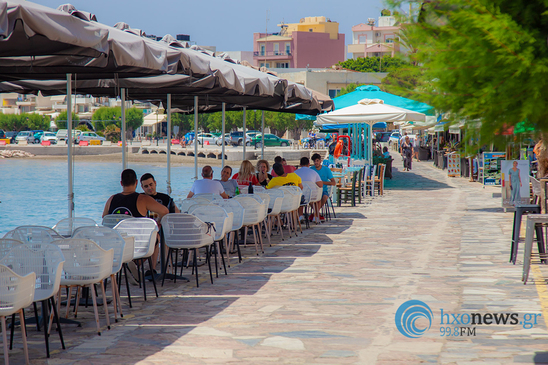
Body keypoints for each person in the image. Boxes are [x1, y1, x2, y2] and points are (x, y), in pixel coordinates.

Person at [140, 173, 180, 275]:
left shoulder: (165, 198)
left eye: (151, 184)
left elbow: (177, 213)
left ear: (155, 183)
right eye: (146, 186)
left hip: (163, 229)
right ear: (142, 187)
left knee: (155, 236)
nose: (149, 188)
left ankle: (152, 269)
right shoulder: (140, 199)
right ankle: (141, 266)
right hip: (144, 230)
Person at [103, 169, 169, 219]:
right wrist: (158, 223)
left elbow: (105, 218)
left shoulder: (111, 199)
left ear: (121, 183)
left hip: (116, 236)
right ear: (136, 182)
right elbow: (164, 211)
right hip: (137, 236)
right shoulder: (143, 199)